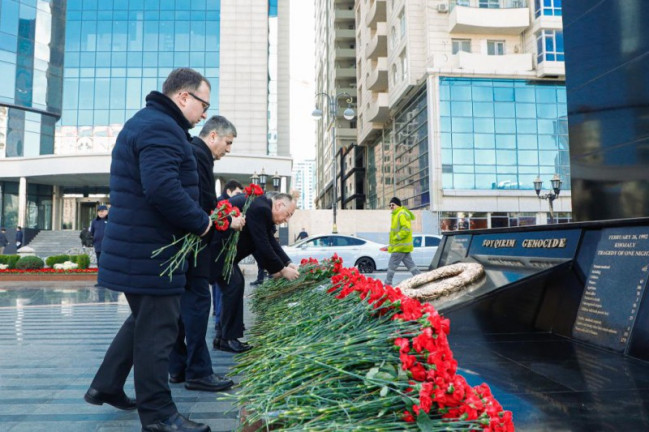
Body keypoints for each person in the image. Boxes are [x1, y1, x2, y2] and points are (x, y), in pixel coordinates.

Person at [84, 68, 214, 432]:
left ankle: (106, 385)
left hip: (142, 250)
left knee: (145, 322)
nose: (204, 113)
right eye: (204, 104)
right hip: (152, 253)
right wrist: (201, 222)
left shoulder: (152, 122)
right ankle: (159, 417)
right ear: (184, 97)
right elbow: (162, 188)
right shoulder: (160, 127)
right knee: (159, 333)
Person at [169, 117, 243, 392]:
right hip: (195, 244)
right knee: (197, 308)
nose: (228, 149)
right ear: (213, 136)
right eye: (228, 142)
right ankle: (198, 372)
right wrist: (227, 221)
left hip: (185, 242)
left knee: (179, 310)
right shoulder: (199, 154)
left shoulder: (193, 151)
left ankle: (177, 367)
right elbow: (204, 203)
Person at [212, 191, 300, 353]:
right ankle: (227, 339)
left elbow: (270, 241)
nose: (286, 220)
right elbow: (262, 244)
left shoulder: (262, 207)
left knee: (234, 286)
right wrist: (281, 270)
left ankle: (223, 337)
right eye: (288, 215)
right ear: (279, 204)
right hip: (216, 251)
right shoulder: (261, 208)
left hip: (224, 255)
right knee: (234, 285)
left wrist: (287, 263)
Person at [211, 179, 243, 348]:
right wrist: (231, 222)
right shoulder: (222, 205)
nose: (240, 197)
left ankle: (222, 331)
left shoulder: (229, 204)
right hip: (217, 254)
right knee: (224, 290)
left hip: (223, 255)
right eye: (238, 193)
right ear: (229, 192)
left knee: (227, 288)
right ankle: (221, 331)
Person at [384, 197, 421, 287]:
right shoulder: (397, 214)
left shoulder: (400, 214)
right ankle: (421, 279)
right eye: (390, 205)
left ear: (398, 205)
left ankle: (387, 284)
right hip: (403, 247)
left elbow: (406, 229)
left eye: (393, 205)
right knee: (411, 266)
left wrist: (397, 237)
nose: (391, 206)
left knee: (391, 266)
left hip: (399, 247)